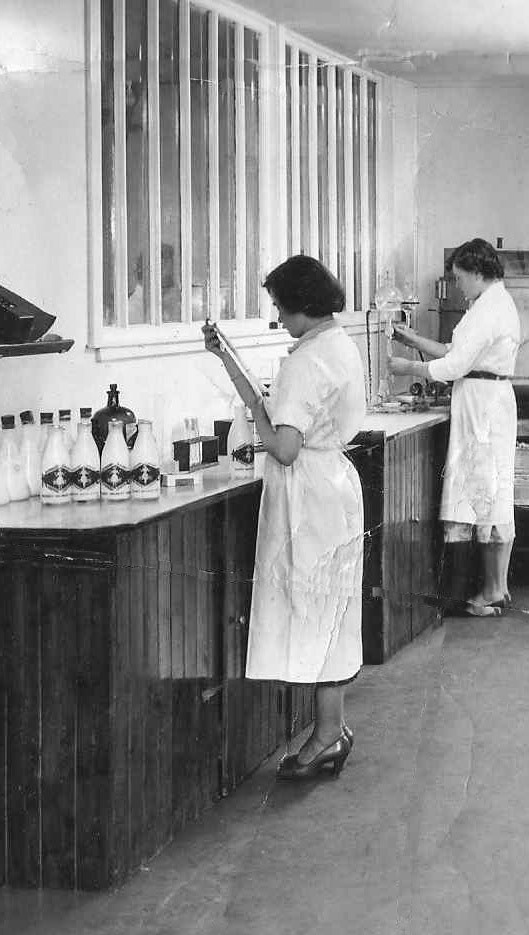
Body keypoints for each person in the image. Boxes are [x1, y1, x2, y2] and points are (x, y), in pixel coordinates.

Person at [204, 255, 365, 779]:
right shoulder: (338, 345)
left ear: (301, 305)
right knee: (331, 607)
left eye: (279, 307)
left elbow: (284, 447)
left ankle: (323, 735)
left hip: (309, 496)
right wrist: (235, 369)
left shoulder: (304, 361)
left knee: (314, 608)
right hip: (335, 486)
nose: (278, 317)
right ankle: (332, 726)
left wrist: (255, 411)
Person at [388, 239, 522, 617]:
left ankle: (493, 590)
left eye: (460, 278)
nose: (458, 285)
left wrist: (407, 367)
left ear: (478, 273)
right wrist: (411, 338)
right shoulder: (490, 303)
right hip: (484, 400)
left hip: (485, 405)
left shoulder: (489, 310)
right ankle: (495, 588)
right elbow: (453, 350)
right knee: (488, 495)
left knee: (488, 496)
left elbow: (453, 366)